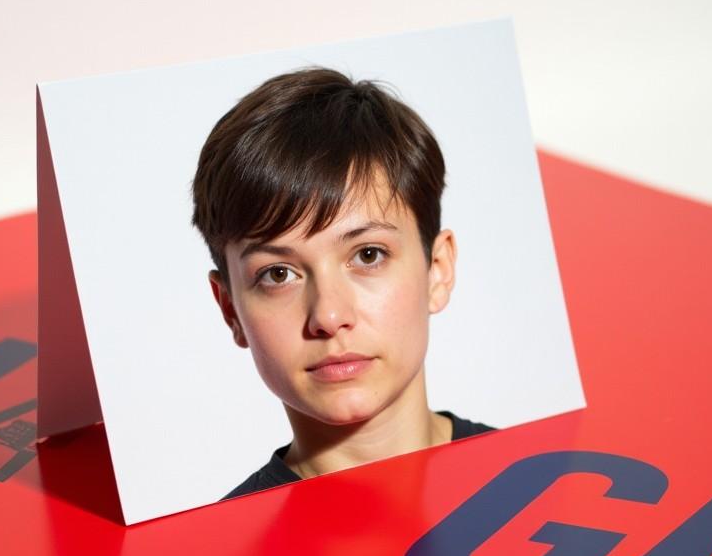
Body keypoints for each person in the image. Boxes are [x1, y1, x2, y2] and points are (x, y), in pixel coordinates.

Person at [190, 67, 496, 500]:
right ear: (230, 309)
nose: (329, 317)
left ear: (438, 269)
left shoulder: (542, 479)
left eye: (368, 255)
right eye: (279, 274)